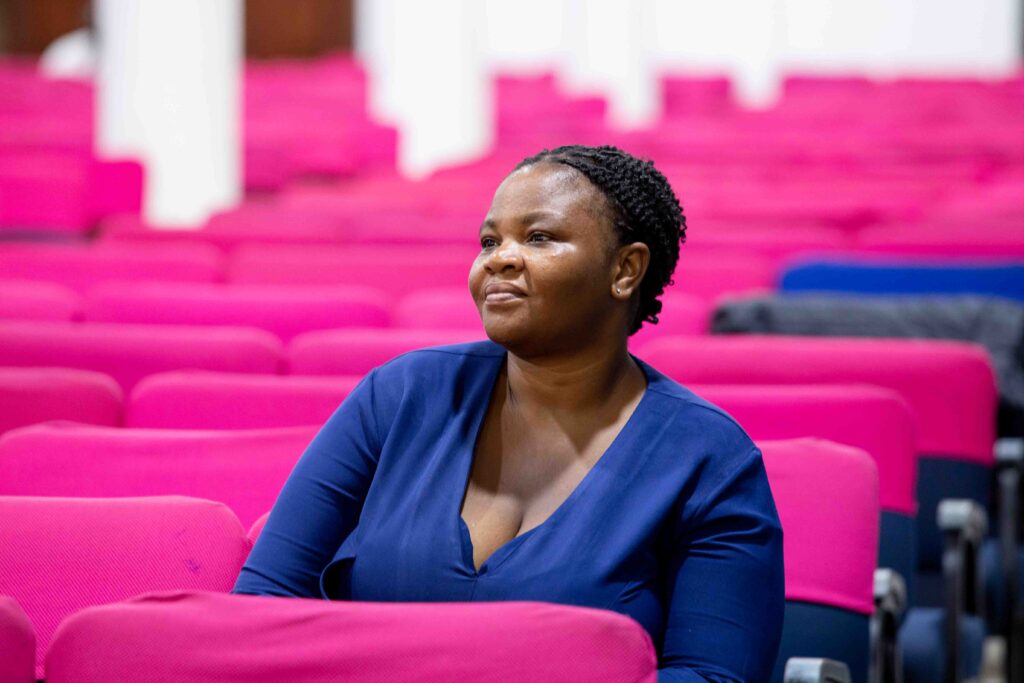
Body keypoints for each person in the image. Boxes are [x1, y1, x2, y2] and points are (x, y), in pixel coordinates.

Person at [234, 145, 785, 681]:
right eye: (489, 241)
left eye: (539, 237)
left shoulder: (708, 458)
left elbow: (713, 674)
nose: (498, 258)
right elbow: (264, 601)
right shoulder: (400, 395)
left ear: (625, 269)